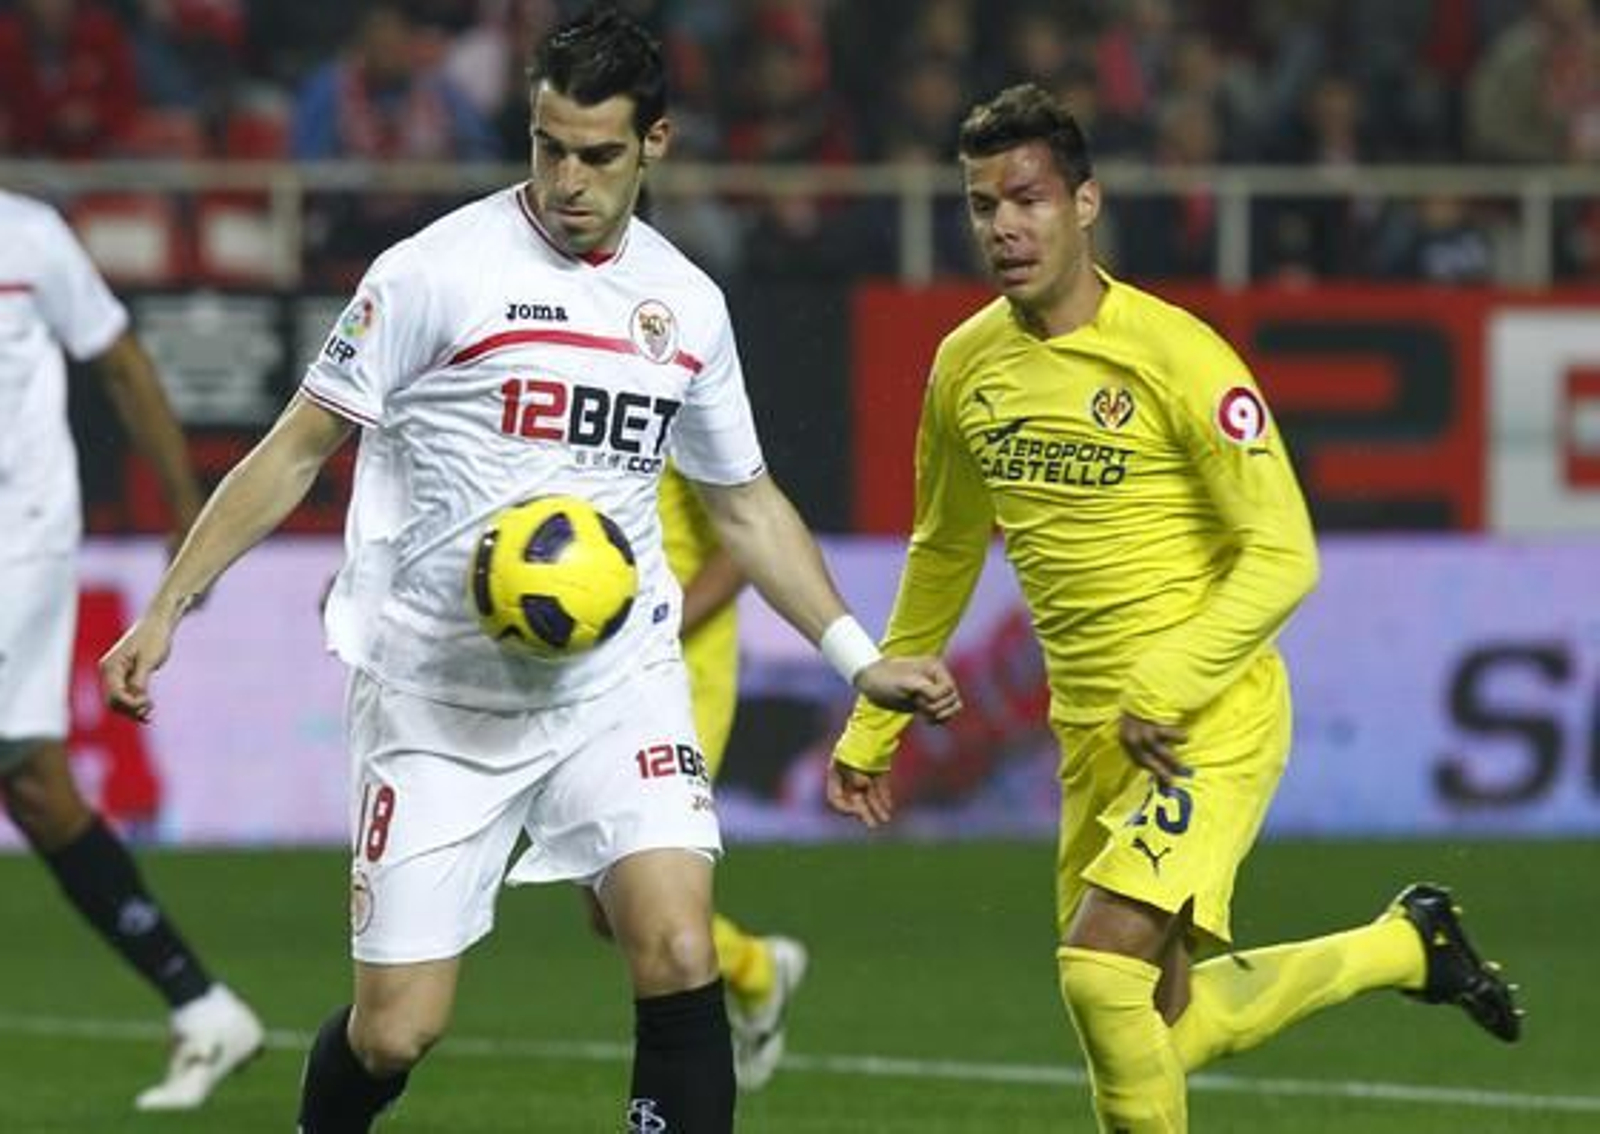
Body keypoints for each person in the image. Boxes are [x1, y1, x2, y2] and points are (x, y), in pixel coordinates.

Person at [98, 9, 961, 1133]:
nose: (566, 178)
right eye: (547, 145)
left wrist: (858, 657)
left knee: (677, 943)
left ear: (658, 141)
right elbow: (297, 448)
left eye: (597, 153)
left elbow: (743, 504)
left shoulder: (686, 308)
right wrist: (168, 607)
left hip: (614, 680)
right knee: (396, 1029)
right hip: (436, 695)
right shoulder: (431, 275)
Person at [826, 83, 1522, 1134]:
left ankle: (1404, 946)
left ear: (1085, 203)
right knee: (1161, 1021)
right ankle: (1406, 945)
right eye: (982, 205)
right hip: (1095, 735)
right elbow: (945, 548)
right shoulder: (965, 367)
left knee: (1099, 976)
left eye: (1028, 199)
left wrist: (1170, 682)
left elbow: (1284, 553)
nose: (1005, 226)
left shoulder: (1178, 356)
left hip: (1206, 721)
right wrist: (873, 721)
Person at [0, 189, 264, 1111]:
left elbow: (121, 363)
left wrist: (187, 512)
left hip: (17, 538)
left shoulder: (27, 237)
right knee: (34, 786)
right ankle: (202, 1005)